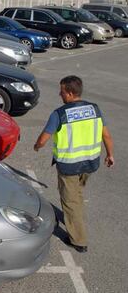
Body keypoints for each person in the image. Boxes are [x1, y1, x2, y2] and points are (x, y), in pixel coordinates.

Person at [34, 75, 114, 253]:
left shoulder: (59, 114)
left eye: (61, 91)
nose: (59, 94)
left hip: (69, 166)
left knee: (70, 202)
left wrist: (37, 147)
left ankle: (78, 240)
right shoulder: (95, 109)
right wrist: (110, 154)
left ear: (70, 93)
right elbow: (106, 135)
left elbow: (43, 139)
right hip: (90, 163)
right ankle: (76, 211)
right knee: (77, 192)